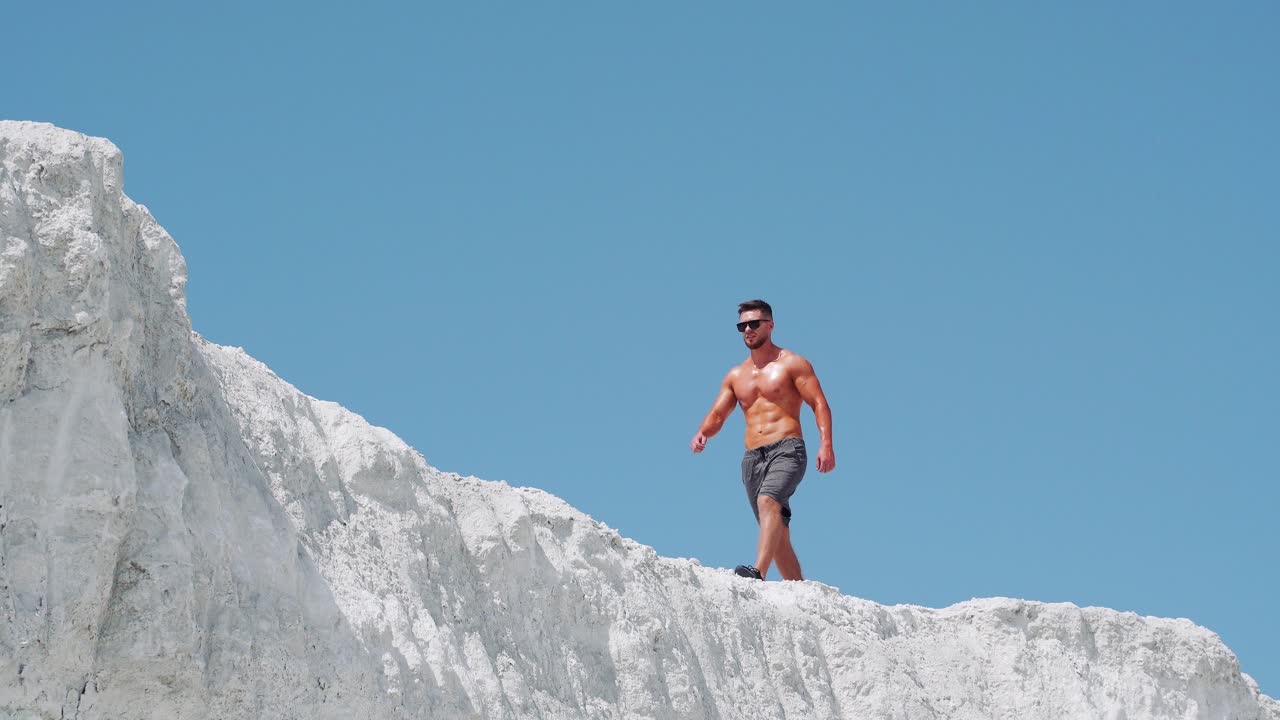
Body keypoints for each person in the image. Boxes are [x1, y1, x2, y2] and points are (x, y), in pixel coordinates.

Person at [690, 299, 835, 581]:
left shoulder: (792, 363)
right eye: (742, 325)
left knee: (769, 502)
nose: (748, 329)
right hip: (752, 458)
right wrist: (702, 432)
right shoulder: (736, 375)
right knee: (777, 534)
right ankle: (799, 591)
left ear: (770, 325)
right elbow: (718, 414)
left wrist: (826, 444)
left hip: (787, 449)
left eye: (754, 324)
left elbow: (819, 403)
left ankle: (757, 573)